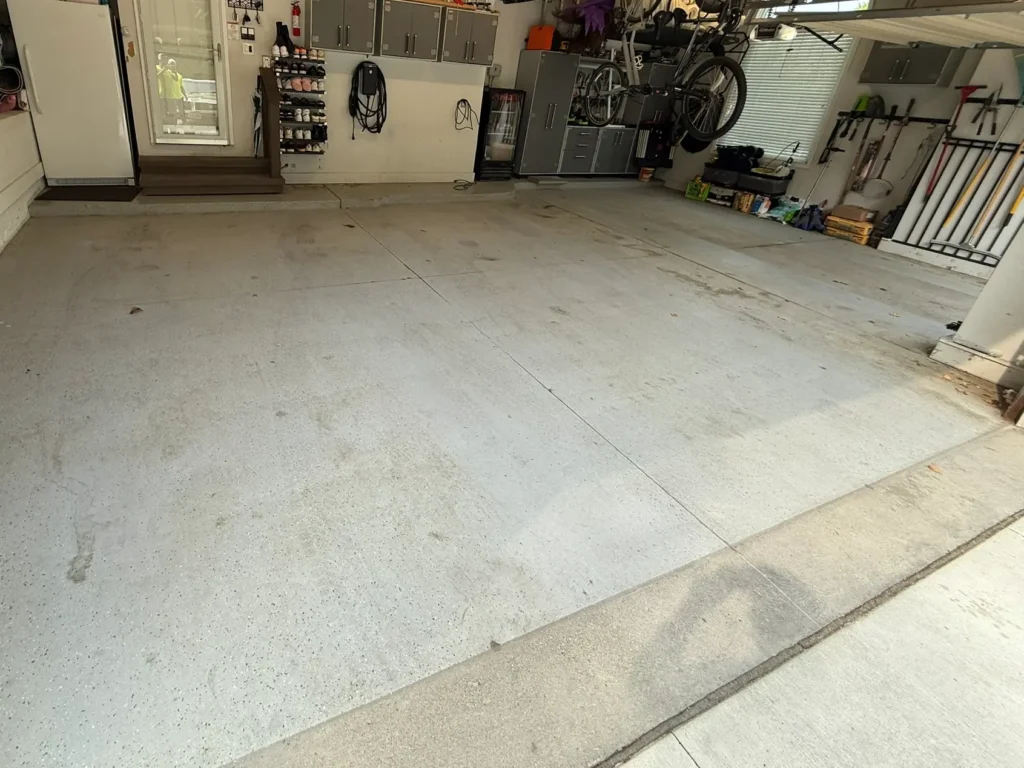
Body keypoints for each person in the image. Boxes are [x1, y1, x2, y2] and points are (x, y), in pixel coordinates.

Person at [159, 58, 186, 130]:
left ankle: (184, 126)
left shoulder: (179, 75)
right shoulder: (165, 73)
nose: (172, 65)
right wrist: (164, 69)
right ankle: (174, 126)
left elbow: (181, 86)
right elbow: (157, 76)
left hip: (179, 96)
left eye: (173, 64)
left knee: (181, 112)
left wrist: (185, 95)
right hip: (170, 96)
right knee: (173, 112)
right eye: (171, 63)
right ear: (168, 64)